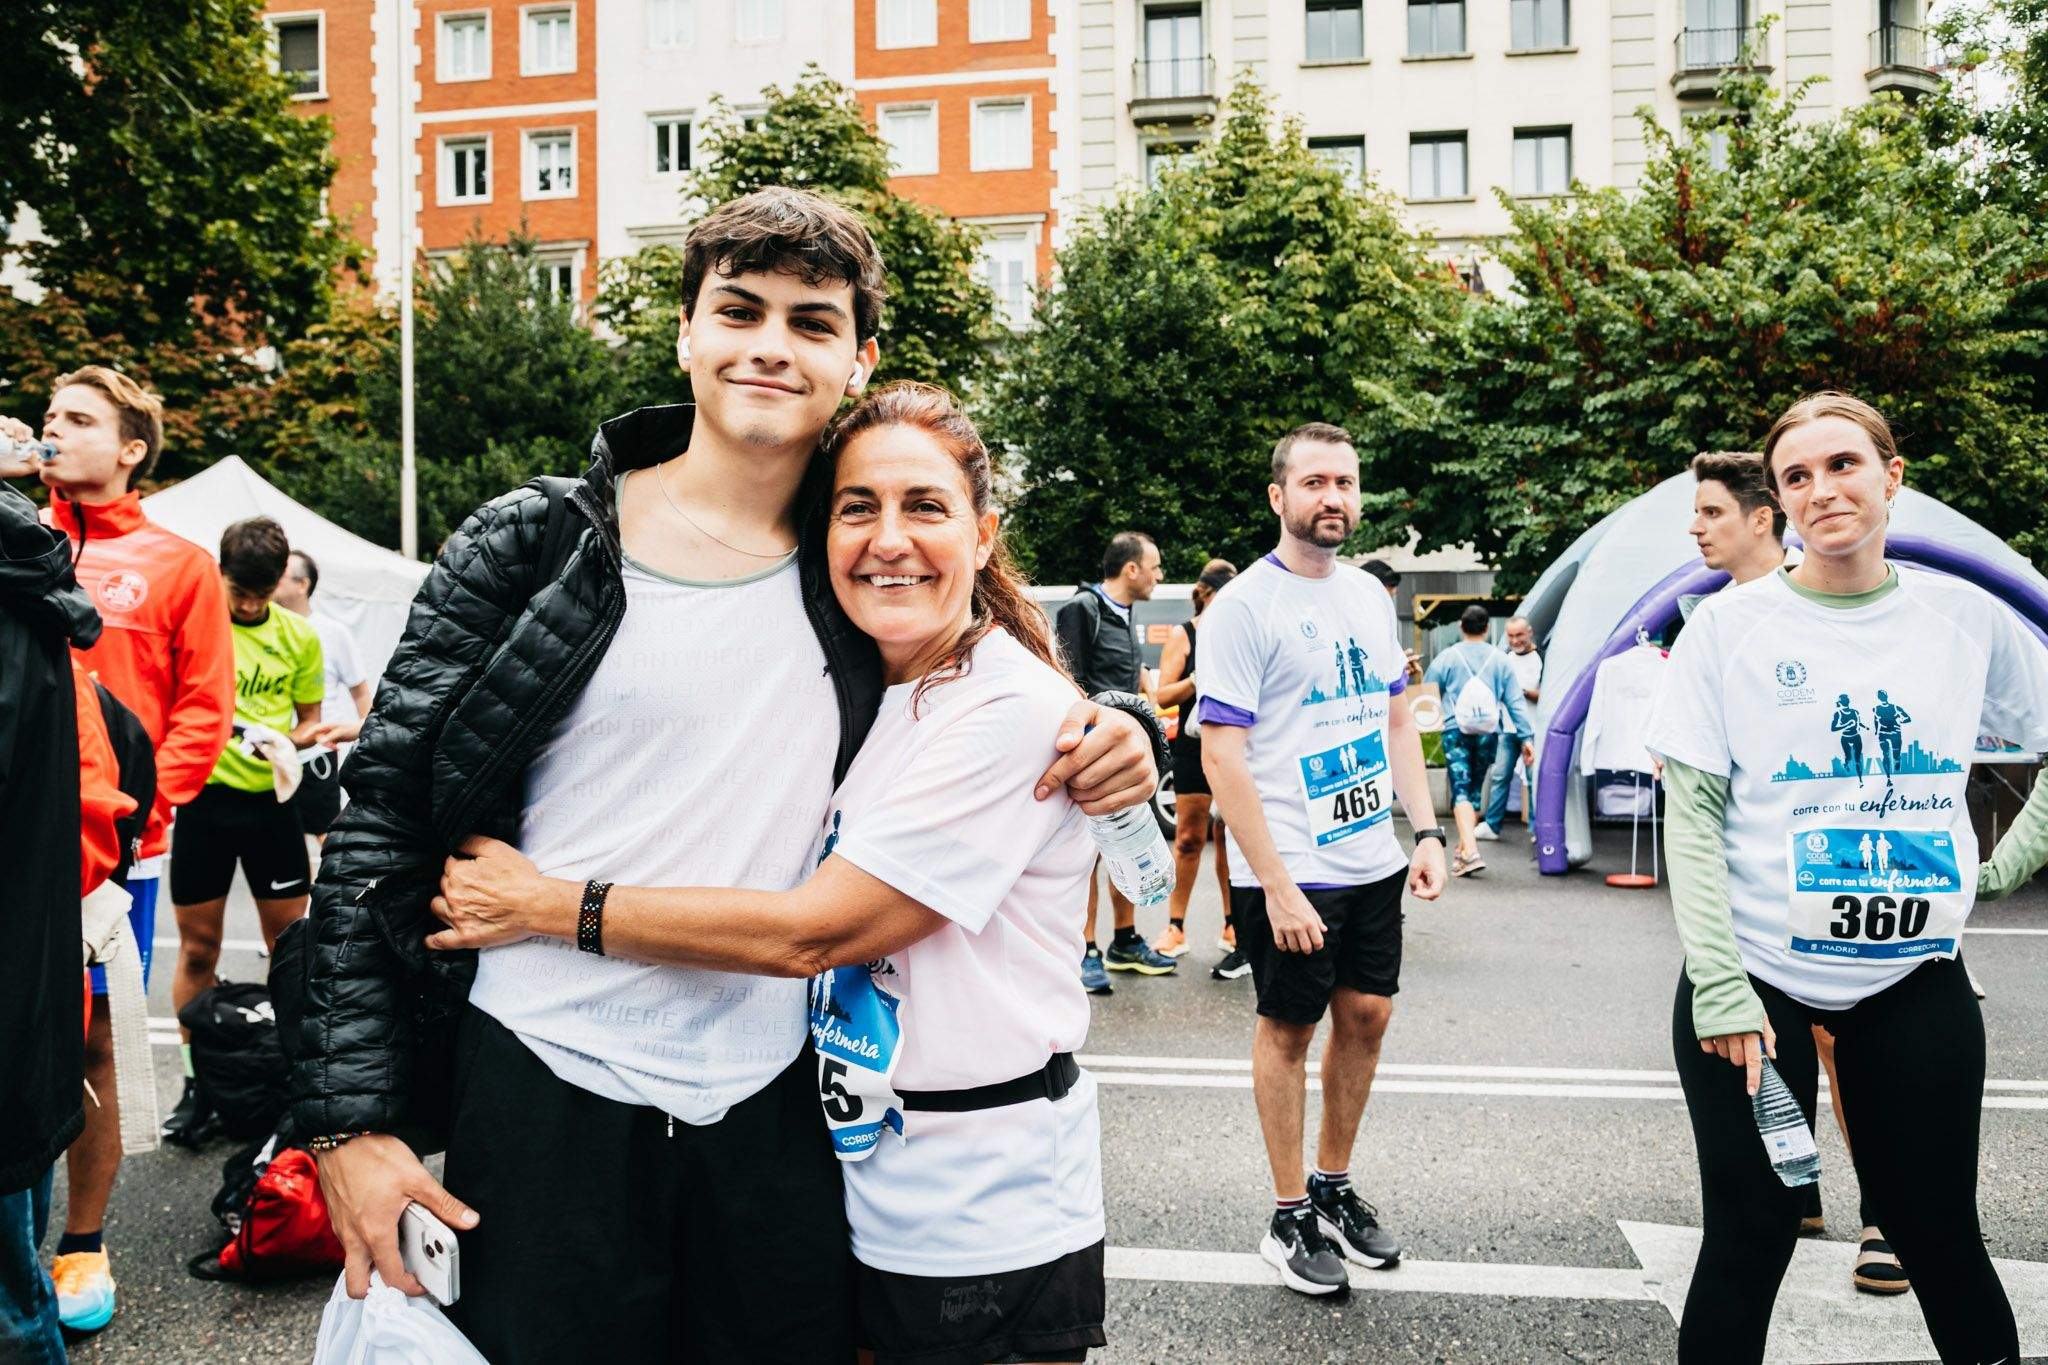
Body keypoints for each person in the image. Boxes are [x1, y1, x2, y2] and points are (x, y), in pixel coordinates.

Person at [286, 188, 1159, 1364]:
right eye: (738, 310)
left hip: (778, 1101)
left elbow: (976, 658)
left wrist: (1113, 723)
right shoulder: (535, 542)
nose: (769, 346)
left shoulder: (859, 561)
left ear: (856, 360)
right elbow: (381, 819)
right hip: (545, 1077)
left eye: (811, 322)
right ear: (685, 332)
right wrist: (349, 1125)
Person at [430, 382, 1110, 1365]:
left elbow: (814, 933)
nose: (888, 538)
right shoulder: (883, 689)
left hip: (984, 1205)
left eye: (924, 505)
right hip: (873, 1179)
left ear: (983, 530)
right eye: (856, 507)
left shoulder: (1002, 709)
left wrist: (549, 906)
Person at [1645, 392, 2048, 1363]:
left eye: (1841, 465)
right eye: (1796, 477)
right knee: (1748, 1237)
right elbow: (1690, 818)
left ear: (1888, 476)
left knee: (1937, 1234)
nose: (1821, 489)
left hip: (1912, 979)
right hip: (1755, 983)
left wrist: (1996, 869)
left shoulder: (1964, 621)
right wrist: (1719, 983)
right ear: (1777, 501)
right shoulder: (1728, 628)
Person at [3, 367, 235, 1334]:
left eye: (80, 419)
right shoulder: (18, 533)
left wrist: (141, 820)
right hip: (19, 840)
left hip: (117, 853)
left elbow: (202, 710)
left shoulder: (178, 561)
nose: (56, 429)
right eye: (50, 415)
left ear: (132, 447)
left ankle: (81, 1241)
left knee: (94, 1036)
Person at [1197, 423, 1447, 1297]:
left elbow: (1395, 719)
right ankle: (1288, 1208)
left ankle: (1334, 1185)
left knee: (1369, 1016)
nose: (1332, 497)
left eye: (1345, 481)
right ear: (1279, 496)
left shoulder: (1368, 599)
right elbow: (1221, 755)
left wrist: (1424, 832)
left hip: (1369, 855)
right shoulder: (1244, 608)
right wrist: (1275, 885)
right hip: (1292, 865)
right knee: (1289, 1030)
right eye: (1314, 482)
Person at [1684, 448, 1901, 1288]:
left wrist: (1976, 873)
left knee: (1847, 1046)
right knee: (1769, 1045)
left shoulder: (1844, 598)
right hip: (1759, 892)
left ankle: (1885, 1211)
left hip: (1867, 875)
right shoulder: (1715, 622)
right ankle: (1797, 1182)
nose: (1696, 529)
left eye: (1710, 513)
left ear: (1761, 518)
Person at [0, 479, 135, 1362]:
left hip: (56, 912)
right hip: (31, 941)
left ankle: (81, 1245)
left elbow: (115, 774)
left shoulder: (35, 597)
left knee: (93, 1056)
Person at [165, 517, 324, 1141]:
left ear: (282, 581)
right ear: (220, 574)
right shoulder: (199, 628)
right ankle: (195, 1082)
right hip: (203, 802)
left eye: (263, 594)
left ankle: (289, 1077)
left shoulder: (298, 637)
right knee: (199, 949)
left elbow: (311, 720)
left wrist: (285, 739)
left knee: (291, 951)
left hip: (271, 808)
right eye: (242, 594)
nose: (252, 606)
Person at [1056, 532, 1175, 990]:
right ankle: (1086, 950)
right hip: (1093, 756)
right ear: (1131, 569)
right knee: (1088, 859)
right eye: (1155, 566)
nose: (1159, 575)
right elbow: (1067, 681)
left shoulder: (1125, 614)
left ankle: (1124, 941)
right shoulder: (1082, 609)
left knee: (1128, 846)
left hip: (1128, 754)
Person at [1153, 558, 1242, 973]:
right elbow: (1163, 696)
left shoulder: (1239, 634)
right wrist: (1197, 678)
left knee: (1231, 838)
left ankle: (1232, 927)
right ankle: (1175, 928)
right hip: (1191, 748)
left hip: (1234, 745)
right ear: (1207, 594)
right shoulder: (1184, 634)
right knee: (1189, 838)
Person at [1422, 605, 1534, 876]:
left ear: (1462, 626)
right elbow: (1514, 701)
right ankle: (1463, 854)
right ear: (1486, 628)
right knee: (1473, 791)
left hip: (1455, 731)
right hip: (1488, 732)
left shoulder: (1447, 657)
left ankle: (1470, 850)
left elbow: (1428, 690)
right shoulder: (1500, 659)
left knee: (1460, 789)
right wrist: (1526, 736)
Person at [274, 549, 372, 844]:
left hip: (316, 753)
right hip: (273, 754)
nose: (272, 580)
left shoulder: (332, 632)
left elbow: (361, 692)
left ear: (302, 584)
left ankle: (333, 890)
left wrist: (367, 739)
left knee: (326, 838)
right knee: (278, 844)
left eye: (281, 575)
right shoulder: (264, 629)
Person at [1478, 616, 1541, 837]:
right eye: (1511, 636)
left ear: (1529, 633)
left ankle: (1536, 828)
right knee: (1500, 776)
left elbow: (1549, 695)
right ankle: (1492, 825)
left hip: (1534, 730)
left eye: (1519, 635)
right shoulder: (1504, 659)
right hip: (1508, 729)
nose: (1515, 640)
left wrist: (1521, 692)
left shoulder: (1542, 658)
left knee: (1534, 780)